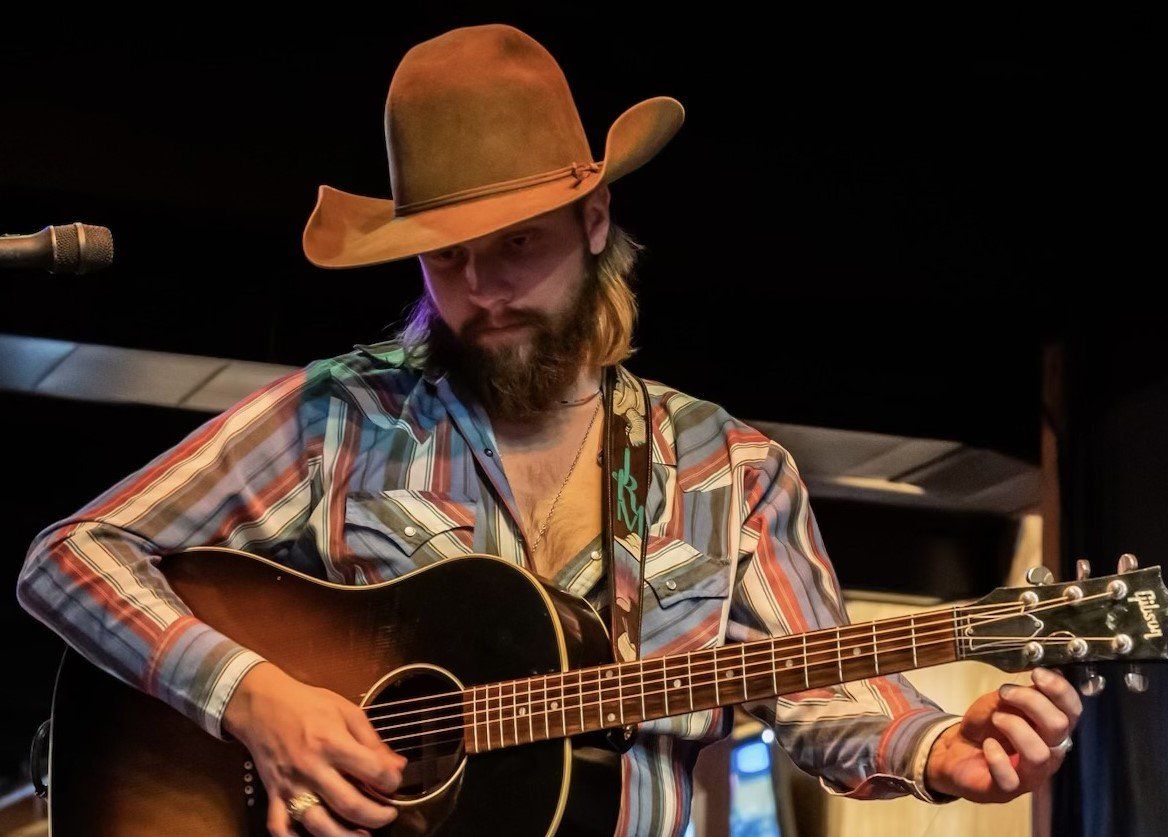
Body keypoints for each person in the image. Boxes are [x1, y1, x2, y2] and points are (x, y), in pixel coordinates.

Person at [18, 23, 1081, 837]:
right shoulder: (336, 415)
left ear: (594, 221)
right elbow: (66, 559)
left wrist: (944, 746)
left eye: (515, 245)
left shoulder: (731, 468)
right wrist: (254, 698)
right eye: (444, 258)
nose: (480, 292)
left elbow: (822, 700)